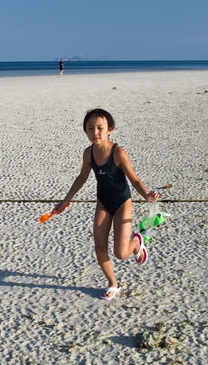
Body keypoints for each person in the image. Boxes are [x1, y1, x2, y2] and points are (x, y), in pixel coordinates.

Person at [55, 108, 160, 300]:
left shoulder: (118, 152)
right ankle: (113, 283)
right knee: (99, 245)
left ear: (110, 129)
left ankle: (137, 242)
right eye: (90, 128)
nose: (95, 132)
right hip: (103, 202)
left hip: (122, 202)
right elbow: (81, 178)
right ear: (85, 131)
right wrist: (65, 200)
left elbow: (134, 180)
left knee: (120, 253)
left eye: (100, 128)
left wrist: (147, 195)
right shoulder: (88, 153)